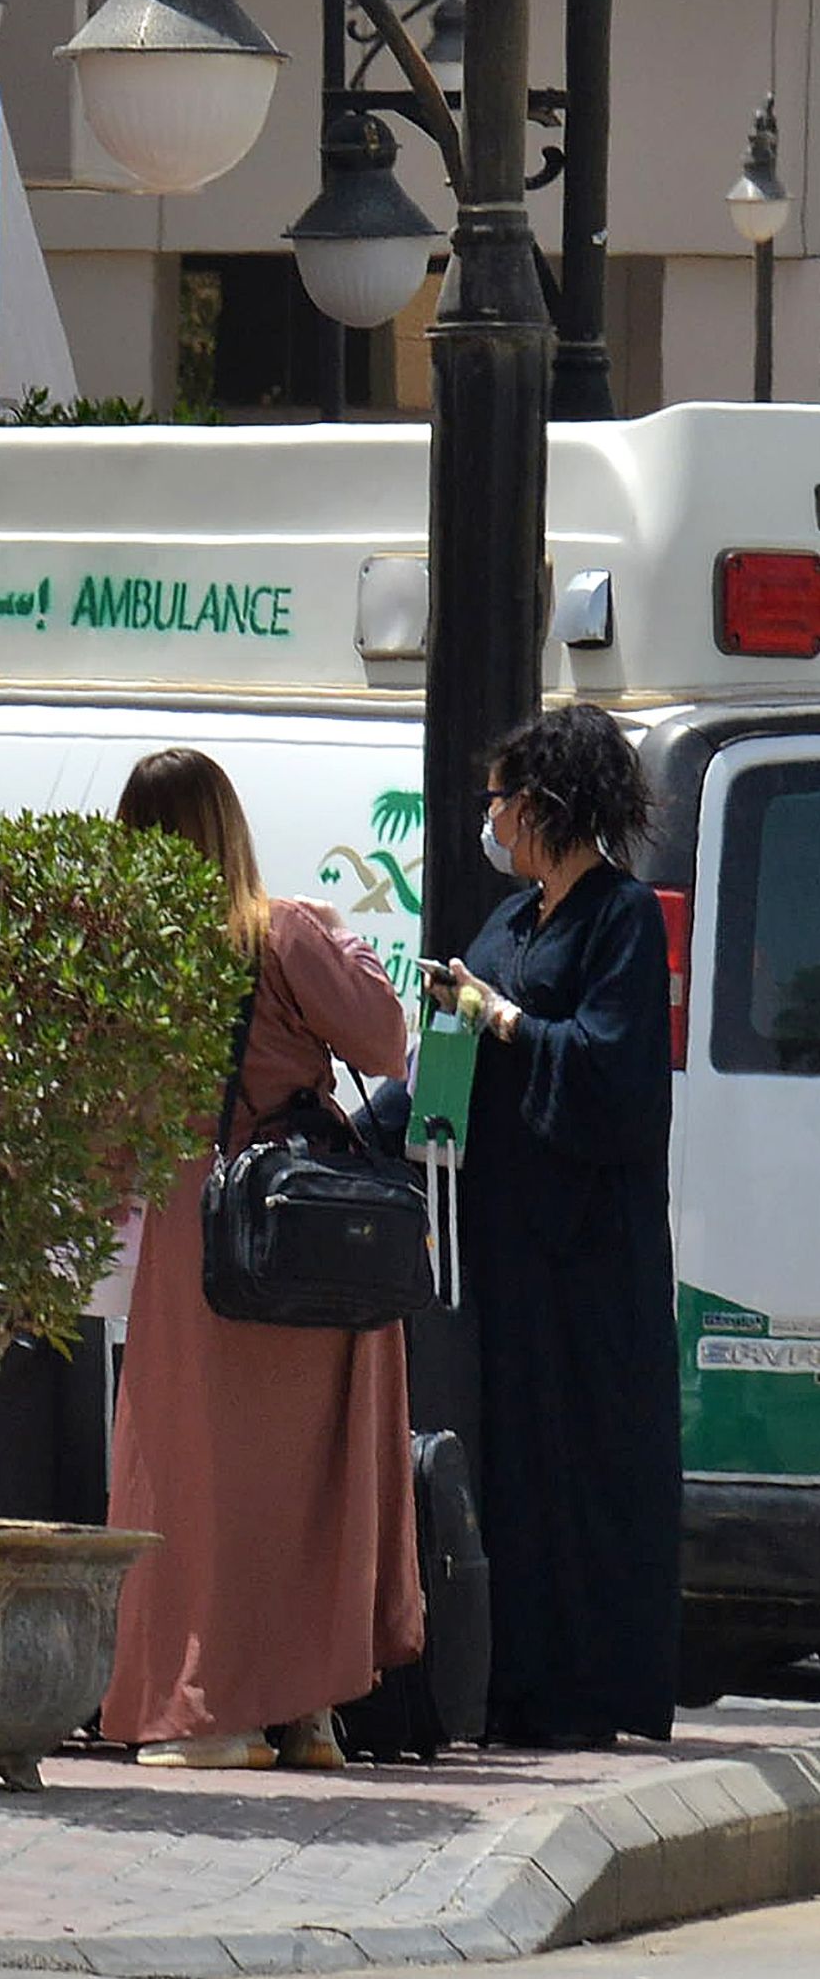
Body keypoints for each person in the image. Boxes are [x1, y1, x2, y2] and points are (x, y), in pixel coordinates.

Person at [101, 747, 420, 1771]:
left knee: (196, 1483)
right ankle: (311, 1709)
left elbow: (103, 1124)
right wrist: (345, 938)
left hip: (196, 1236)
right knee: (316, 1477)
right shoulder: (282, 932)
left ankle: (208, 1714)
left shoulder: (123, 954)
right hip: (307, 1230)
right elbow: (384, 1042)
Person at [432, 705, 679, 1747]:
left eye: (499, 801)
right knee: (509, 1463)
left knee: (584, 1465)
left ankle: (584, 1694)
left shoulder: (621, 917)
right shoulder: (509, 921)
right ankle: (505, 1681)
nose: (489, 821)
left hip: (587, 1257)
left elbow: (612, 1072)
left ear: (541, 804)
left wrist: (504, 1019)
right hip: (502, 1243)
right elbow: (457, 1055)